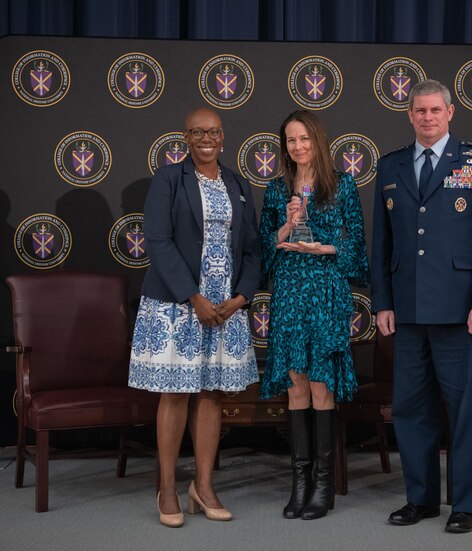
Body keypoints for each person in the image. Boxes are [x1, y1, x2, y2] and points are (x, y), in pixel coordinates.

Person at [371, 79, 472, 533]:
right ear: (409, 115)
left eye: (435, 110)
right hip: (408, 311)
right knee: (411, 409)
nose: (427, 117)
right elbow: (382, 243)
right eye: (419, 111)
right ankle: (421, 498)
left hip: (462, 311)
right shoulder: (390, 165)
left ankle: (465, 504)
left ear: (450, 113)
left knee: (464, 408)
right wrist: (383, 303)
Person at [128, 107, 260, 527]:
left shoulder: (238, 184)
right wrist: (193, 296)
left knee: (212, 394)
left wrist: (240, 298)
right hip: (177, 305)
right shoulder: (169, 179)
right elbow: (158, 240)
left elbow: (253, 250)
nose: (207, 138)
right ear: (185, 136)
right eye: (198, 131)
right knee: (176, 394)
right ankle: (167, 487)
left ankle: (202, 487)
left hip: (225, 309)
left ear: (223, 137)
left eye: (214, 132)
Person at [259, 109, 370, 520]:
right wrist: (286, 228)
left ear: (317, 141)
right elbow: (263, 251)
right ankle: (299, 483)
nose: (298, 146)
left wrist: (322, 248)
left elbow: (357, 249)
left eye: (304, 138)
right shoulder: (275, 189)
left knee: (321, 384)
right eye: (290, 140)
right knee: (296, 387)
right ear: (283, 146)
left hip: (325, 291)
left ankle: (323, 486)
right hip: (288, 291)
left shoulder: (342, 186)